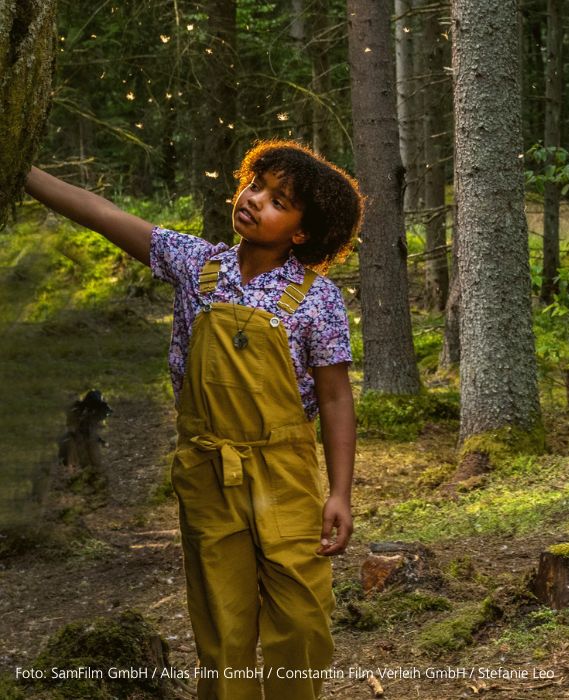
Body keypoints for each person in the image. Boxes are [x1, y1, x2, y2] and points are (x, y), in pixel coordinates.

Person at [24, 139, 362, 699]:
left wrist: (342, 492)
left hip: (285, 473)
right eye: (256, 185)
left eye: (279, 200)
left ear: (303, 232)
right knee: (222, 624)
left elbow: (335, 401)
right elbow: (103, 213)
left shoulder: (317, 300)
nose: (255, 200)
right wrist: (23, 172)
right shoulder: (196, 265)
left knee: (301, 615)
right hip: (207, 469)